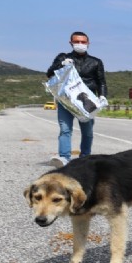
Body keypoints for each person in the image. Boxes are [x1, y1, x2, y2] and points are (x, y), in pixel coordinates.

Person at [46, 31, 108, 167]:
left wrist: (103, 96)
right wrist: (61, 64)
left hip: (87, 102)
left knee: (87, 131)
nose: (80, 44)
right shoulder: (63, 57)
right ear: (71, 43)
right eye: (77, 42)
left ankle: (85, 157)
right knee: (65, 129)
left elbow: (101, 81)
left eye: (83, 42)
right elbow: (49, 73)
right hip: (66, 100)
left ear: (88, 43)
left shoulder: (96, 62)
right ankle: (64, 158)